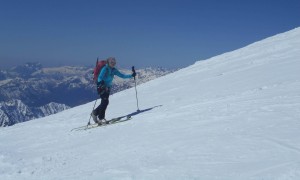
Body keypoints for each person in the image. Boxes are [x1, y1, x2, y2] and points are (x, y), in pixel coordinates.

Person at [91, 57, 136, 124]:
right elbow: (100, 77)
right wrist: (101, 84)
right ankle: (101, 118)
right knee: (105, 101)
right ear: (108, 62)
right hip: (101, 87)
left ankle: (95, 113)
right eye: (111, 62)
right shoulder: (105, 69)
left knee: (105, 102)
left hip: (107, 88)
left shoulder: (114, 70)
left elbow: (122, 76)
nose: (113, 64)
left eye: (114, 63)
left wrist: (131, 75)